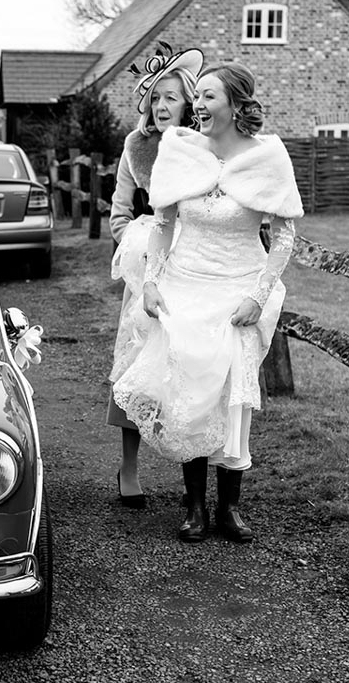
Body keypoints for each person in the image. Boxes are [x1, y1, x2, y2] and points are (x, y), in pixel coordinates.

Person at [112, 62, 302, 543]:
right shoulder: (180, 150)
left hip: (238, 292)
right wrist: (151, 283)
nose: (198, 104)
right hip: (183, 286)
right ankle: (195, 505)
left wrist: (258, 297)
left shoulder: (269, 159)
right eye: (198, 96)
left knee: (233, 397)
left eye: (209, 96)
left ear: (236, 105)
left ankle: (230, 507)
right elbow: (163, 225)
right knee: (191, 391)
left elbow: (283, 237)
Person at [107, 43, 203, 509]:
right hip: (149, 271)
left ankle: (195, 478)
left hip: (196, 268)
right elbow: (120, 214)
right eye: (155, 98)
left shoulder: (205, 148)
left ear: (188, 102)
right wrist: (141, 245)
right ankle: (129, 465)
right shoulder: (136, 146)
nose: (161, 106)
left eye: (171, 98)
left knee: (189, 367)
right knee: (137, 365)